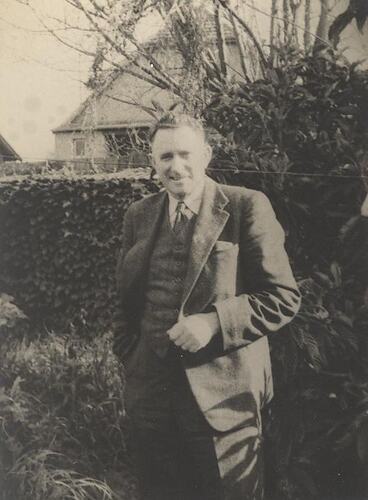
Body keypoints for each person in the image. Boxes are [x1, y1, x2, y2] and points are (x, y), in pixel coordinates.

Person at [113, 113, 301, 500]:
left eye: (186, 154)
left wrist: (215, 322)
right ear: (152, 161)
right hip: (152, 399)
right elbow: (125, 297)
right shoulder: (139, 214)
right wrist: (130, 357)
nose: (176, 166)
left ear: (207, 155)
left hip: (224, 400)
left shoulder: (245, 206)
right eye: (165, 157)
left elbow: (283, 297)